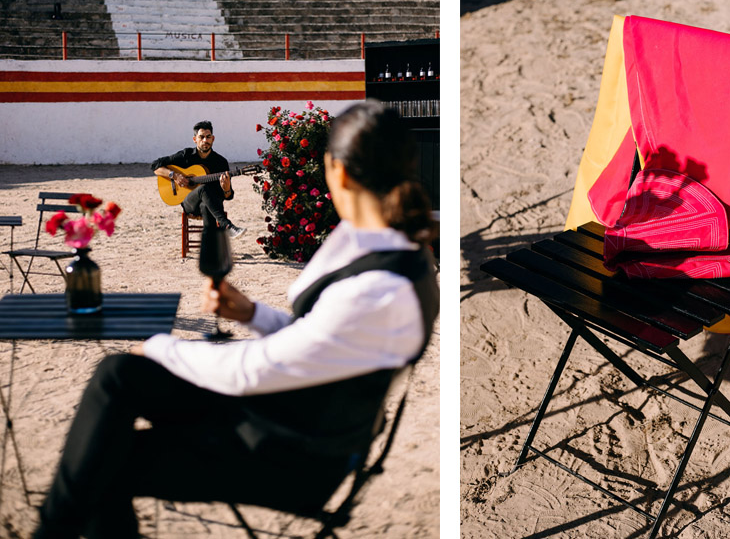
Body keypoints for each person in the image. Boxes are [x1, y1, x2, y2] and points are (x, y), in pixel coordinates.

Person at [33, 103, 439, 539]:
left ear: (336, 172)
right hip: (289, 412)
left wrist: (159, 346)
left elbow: (257, 368)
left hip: (290, 454)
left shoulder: (379, 287)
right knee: (116, 377)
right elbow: (323, 344)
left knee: (105, 451)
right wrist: (252, 313)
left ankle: (51, 531)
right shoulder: (389, 251)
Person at [151, 120, 245, 238]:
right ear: (195, 139)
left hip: (212, 205)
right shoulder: (186, 155)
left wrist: (226, 189)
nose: (205, 140)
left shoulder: (220, 162)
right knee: (203, 188)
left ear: (213, 139)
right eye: (201, 137)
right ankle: (226, 225)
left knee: (205, 205)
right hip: (190, 203)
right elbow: (155, 165)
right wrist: (174, 175)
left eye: (208, 137)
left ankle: (209, 249)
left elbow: (228, 196)